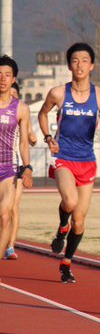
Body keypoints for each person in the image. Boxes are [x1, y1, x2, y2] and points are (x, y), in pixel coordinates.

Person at [38, 42, 100, 284]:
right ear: (70, 65)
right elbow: (42, 113)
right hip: (63, 158)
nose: (79, 65)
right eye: (75, 60)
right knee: (69, 201)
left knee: (79, 222)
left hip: (87, 161)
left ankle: (66, 263)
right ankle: (61, 227)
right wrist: (49, 138)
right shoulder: (59, 93)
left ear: (91, 66)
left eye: (84, 60)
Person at [0, 57, 33, 264]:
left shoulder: (21, 109)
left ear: (14, 79)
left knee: (5, 215)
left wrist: (27, 167)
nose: (2, 79)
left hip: (7, 169)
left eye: (6, 75)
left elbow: (23, 143)